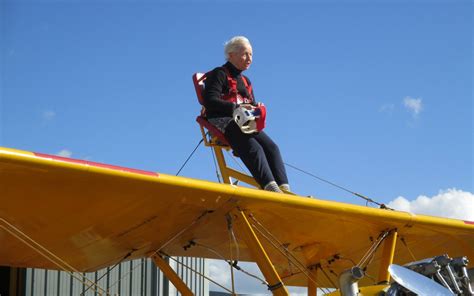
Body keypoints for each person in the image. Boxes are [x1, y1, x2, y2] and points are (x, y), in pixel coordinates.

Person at [202, 36, 290, 193]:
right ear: (231, 55)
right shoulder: (219, 74)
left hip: (243, 121)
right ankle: (270, 186)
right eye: (245, 54)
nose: (249, 58)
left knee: (272, 148)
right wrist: (234, 108)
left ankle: (285, 188)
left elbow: (250, 103)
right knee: (253, 146)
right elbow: (209, 101)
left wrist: (257, 108)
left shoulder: (246, 81)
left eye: (251, 54)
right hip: (221, 118)